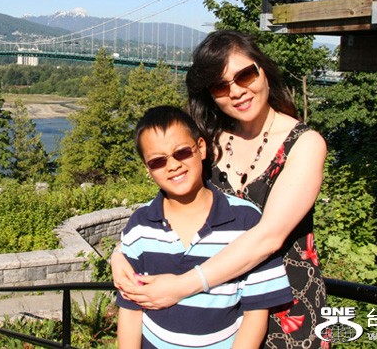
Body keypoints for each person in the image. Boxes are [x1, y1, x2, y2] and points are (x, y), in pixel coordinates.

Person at [112, 30, 328, 348]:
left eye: (244, 75)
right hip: (217, 309)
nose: (236, 91)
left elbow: (268, 238)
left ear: (263, 70)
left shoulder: (304, 144)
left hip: (285, 307)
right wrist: (120, 254)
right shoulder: (211, 140)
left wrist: (181, 286)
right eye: (221, 86)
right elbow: (175, 201)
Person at [117, 105, 293, 348]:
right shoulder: (140, 225)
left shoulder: (245, 221)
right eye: (158, 161)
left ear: (201, 148)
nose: (173, 165)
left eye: (181, 152)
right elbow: (130, 310)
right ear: (148, 169)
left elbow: (255, 314)